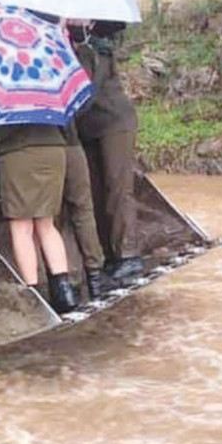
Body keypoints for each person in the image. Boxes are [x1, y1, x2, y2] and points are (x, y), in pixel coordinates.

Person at [0, 119, 78, 314]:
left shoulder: (16, 91)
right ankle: (64, 292)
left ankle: (33, 298)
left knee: (22, 227)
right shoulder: (47, 88)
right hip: (53, 151)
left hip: (21, 154)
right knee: (46, 224)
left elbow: (6, 122)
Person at [74, 21, 143, 285]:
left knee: (118, 187)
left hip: (114, 124)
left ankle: (128, 255)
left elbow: (85, 96)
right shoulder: (82, 49)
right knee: (96, 191)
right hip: (92, 129)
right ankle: (109, 254)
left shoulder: (96, 50)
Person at [61, 120, 110, 300]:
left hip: (42, 153)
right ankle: (95, 277)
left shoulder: (20, 94)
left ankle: (66, 282)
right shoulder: (60, 92)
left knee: (49, 220)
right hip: (74, 146)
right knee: (83, 211)